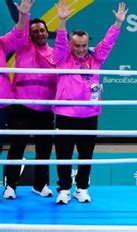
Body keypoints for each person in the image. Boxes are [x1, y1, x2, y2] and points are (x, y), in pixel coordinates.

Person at [53, 0, 128, 205]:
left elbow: (108, 42)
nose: (80, 49)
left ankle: (82, 188)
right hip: (65, 114)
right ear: (71, 44)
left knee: (86, 154)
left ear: (88, 43)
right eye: (76, 45)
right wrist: (61, 21)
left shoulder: (95, 59)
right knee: (64, 154)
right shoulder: (61, 58)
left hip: (89, 114)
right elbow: (59, 41)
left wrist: (118, 23)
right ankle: (64, 189)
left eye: (84, 45)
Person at [4, 16, 57, 199]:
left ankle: (40, 185)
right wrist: (24, 14)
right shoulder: (23, 47)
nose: (39, 33)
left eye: (42, 30)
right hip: (22, 107)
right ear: (30, 35)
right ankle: (10, 186)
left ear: (47, 32)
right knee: (17, 147)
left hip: (45, 110)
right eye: (34, 31)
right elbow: (20, 32)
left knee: (44, 149)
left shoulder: (55, 53)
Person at [0, 0, 32, 196]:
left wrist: (23, 16)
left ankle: (8, 185)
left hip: (1, 105)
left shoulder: (2, 43)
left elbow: (18, 34)